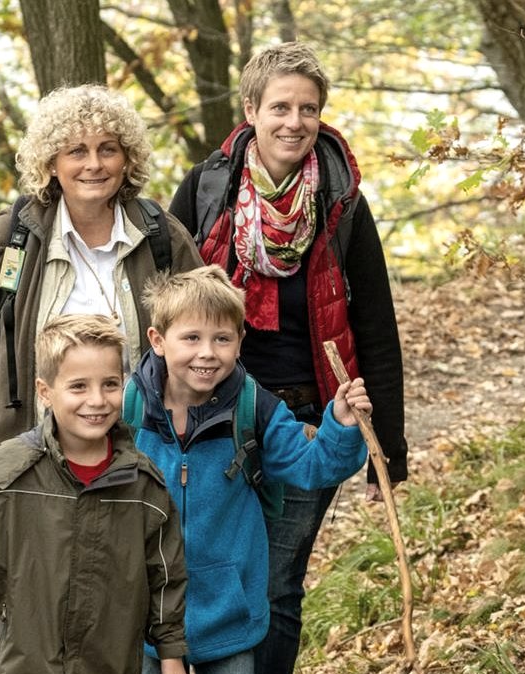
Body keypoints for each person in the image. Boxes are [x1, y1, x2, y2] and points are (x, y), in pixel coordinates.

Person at [167, 42, 408, 672]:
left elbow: (375, 327)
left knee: (276, 583)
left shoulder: (343, 202)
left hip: (305, 420)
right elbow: (163, 301)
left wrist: (389, 446)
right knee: (209, 571)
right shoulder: (206, 188)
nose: (294, 122)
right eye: (279, 107)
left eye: (308, 109)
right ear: (251, 110)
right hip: (215, 418)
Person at [0, 314, 189, 674]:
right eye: (78, 387)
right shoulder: (8, 472)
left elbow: (166, 579)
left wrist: (171, 656)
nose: (97, 400)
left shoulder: (144, 487)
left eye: (110, 384)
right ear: (45, 391)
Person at [129, 265, 370, 674]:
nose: (208, 352)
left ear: (240, 341)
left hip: (230, 618)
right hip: (147, 617)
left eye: (222, 338)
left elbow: (312, 466)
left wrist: (341, 428)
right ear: (158, 340)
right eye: (191, 338)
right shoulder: (131, 407)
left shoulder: (253, 409)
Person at [0, 84, 204, 466]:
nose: (94, 164)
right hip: (23, 456)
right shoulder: (14, 235)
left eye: (108, 149)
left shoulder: (160, 236)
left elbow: (203, 330)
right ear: (52, 162)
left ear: (127, 158)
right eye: (77, 151)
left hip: (137, 454)